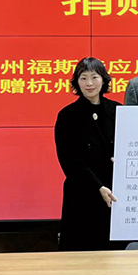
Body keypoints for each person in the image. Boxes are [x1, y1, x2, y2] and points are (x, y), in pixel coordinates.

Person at [54, 57, 121, 251]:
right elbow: (69, 159)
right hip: (82, 192)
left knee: (113, 253)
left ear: (103, 80)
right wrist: (97, 187)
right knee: (80, 254)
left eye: (94, 77)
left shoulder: (118, 110)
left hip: (114, 191)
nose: (89, 83)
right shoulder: (67, 115)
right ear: (77, 82)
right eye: (83, 78)